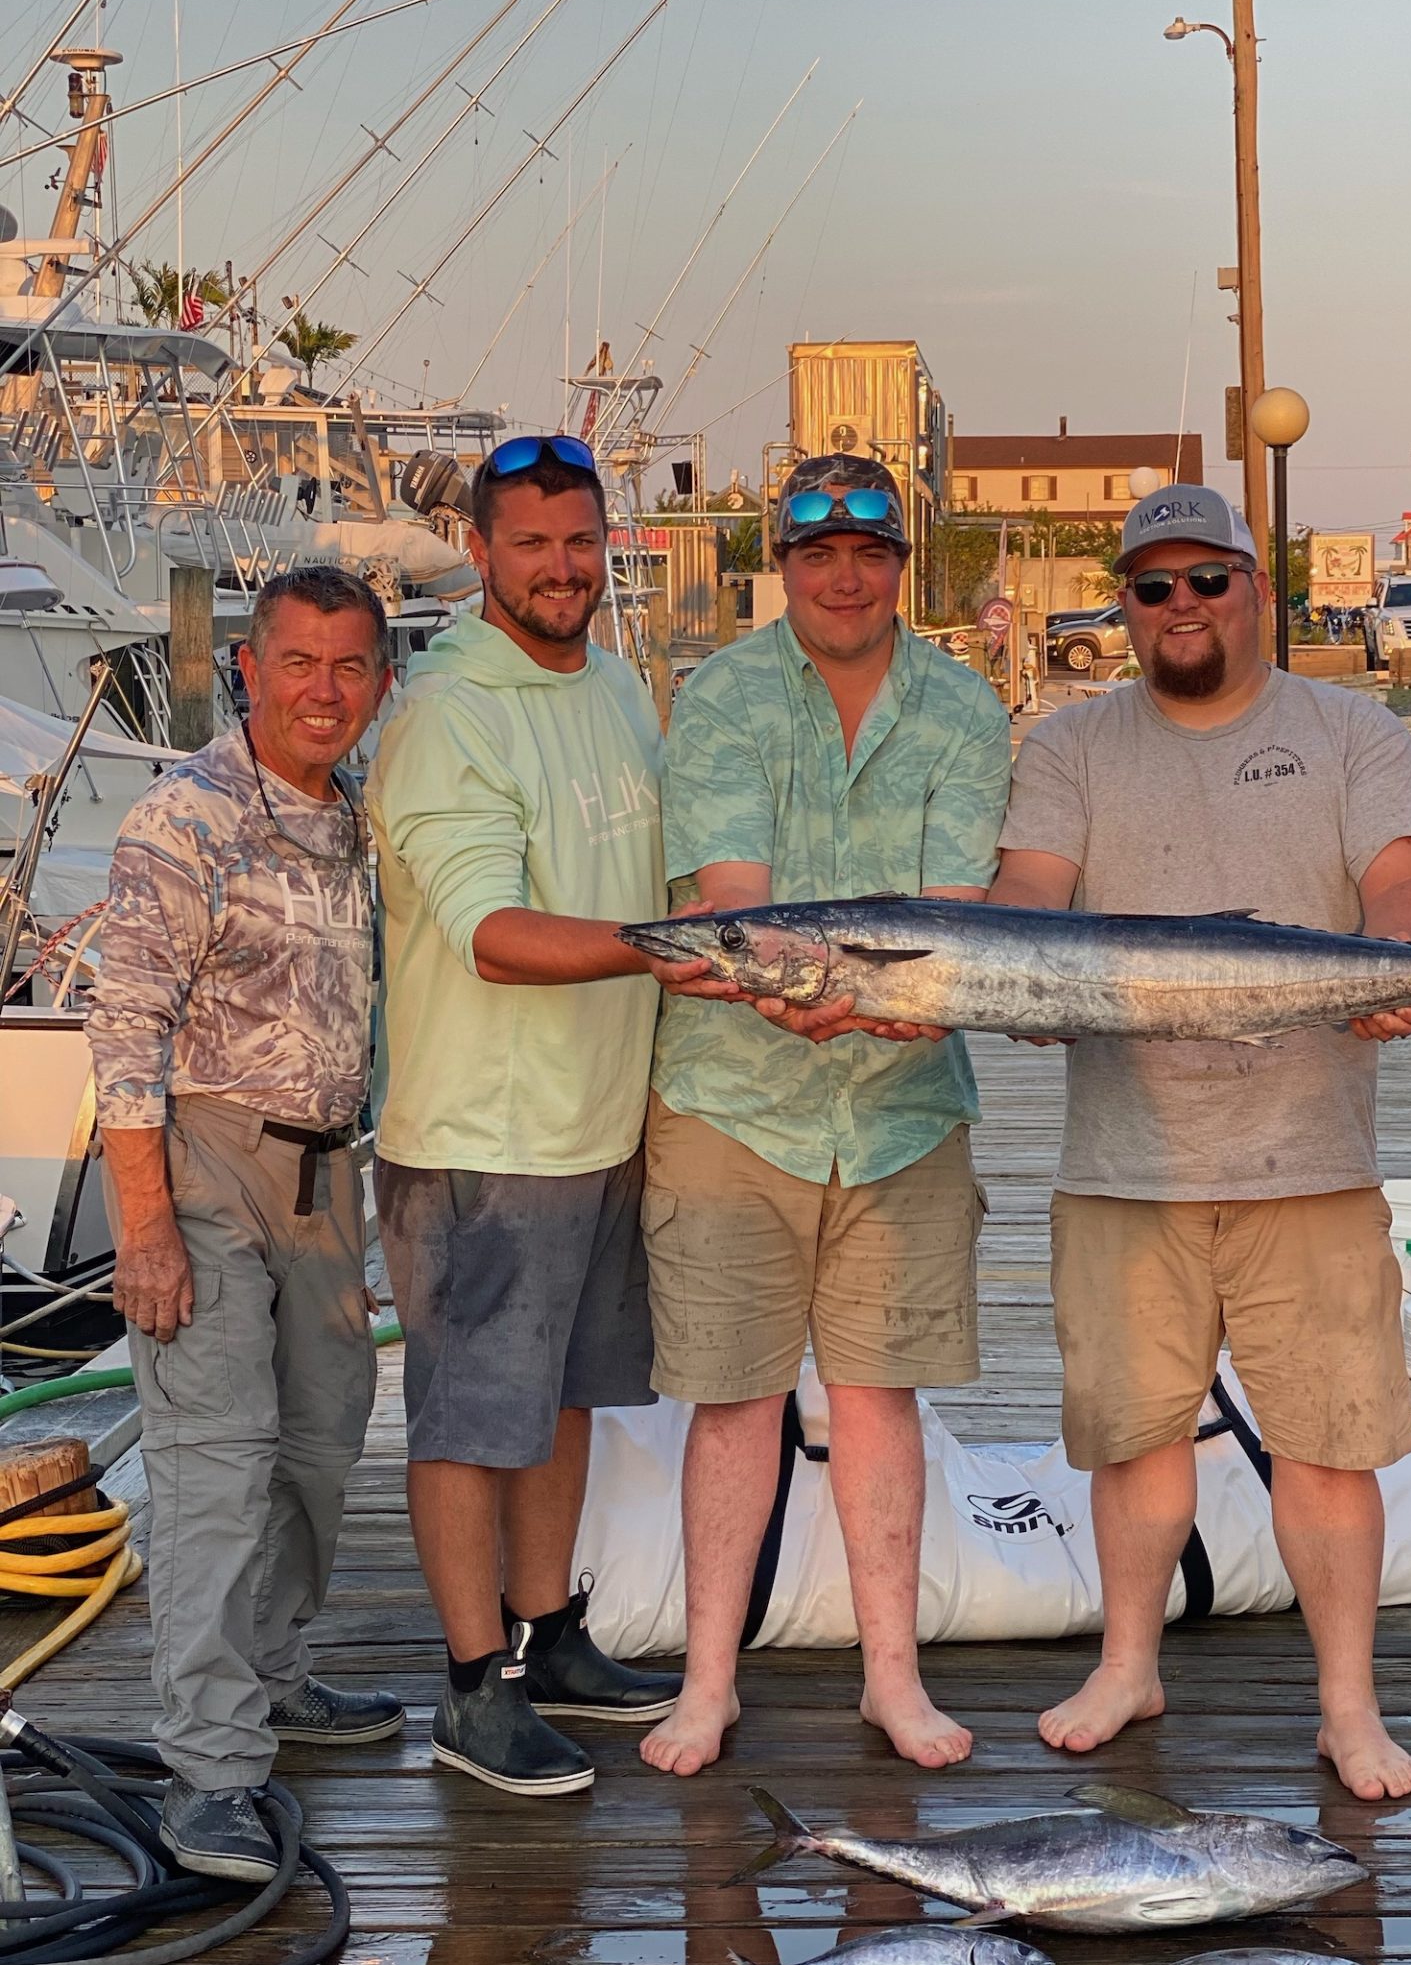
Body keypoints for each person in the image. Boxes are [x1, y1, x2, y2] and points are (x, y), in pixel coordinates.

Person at [992, 482, 1411, 1800]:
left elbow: (1404, 883)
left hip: (1308, 1160)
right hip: (1120, 1167)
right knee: (1132, 1437)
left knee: (1331, 1441)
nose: (1181, 606)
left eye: (1209, 580)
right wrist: (1017, 975)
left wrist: (1397, 960)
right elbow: (1030, 894)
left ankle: (1348, 1705)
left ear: (1260, 589)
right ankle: (1129, 1664)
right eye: (1153, 587)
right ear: (1127, 607)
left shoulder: (1352, 729)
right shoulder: (1073, 745)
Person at [637, 453, 1011, 1777]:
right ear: (781, 564)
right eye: (815, 553)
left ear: (902, 566)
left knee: (878, 1396)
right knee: (731, 1402)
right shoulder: (722, 695)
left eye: (869, 552)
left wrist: (901, 997)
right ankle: (706, 1684)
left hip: (906, 1105)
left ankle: (891, 1680)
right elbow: (734, 895)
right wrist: (802, 992)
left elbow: (954, 919)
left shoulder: (966, 707)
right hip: (733, 1101)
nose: (843, 575)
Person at [367, 433, 717, 1799]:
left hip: (599, 1123)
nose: (563, 568)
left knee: (564, 1400)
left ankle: (550, 1632)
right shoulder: (455, 708)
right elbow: (493, 934)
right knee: (468, 1419)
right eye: (532, 545)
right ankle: (470, 1689)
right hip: (482, 1138)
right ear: (484, 553)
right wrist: (674, 946)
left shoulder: (621, 684)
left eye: (581, 541)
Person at [86, 564, 396, 1881]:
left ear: (380, 682)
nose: (324, 691)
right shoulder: (183, 819)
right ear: (249, 671)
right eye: (301, 663)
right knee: (216, 1466)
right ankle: (209, 1769)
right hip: (207, 1162)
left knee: (320, 1448)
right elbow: (124, 1033)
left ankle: (271, 1679)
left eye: (351, 666)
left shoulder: (360, 814)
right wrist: (144, 1227)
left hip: (331, 1175)